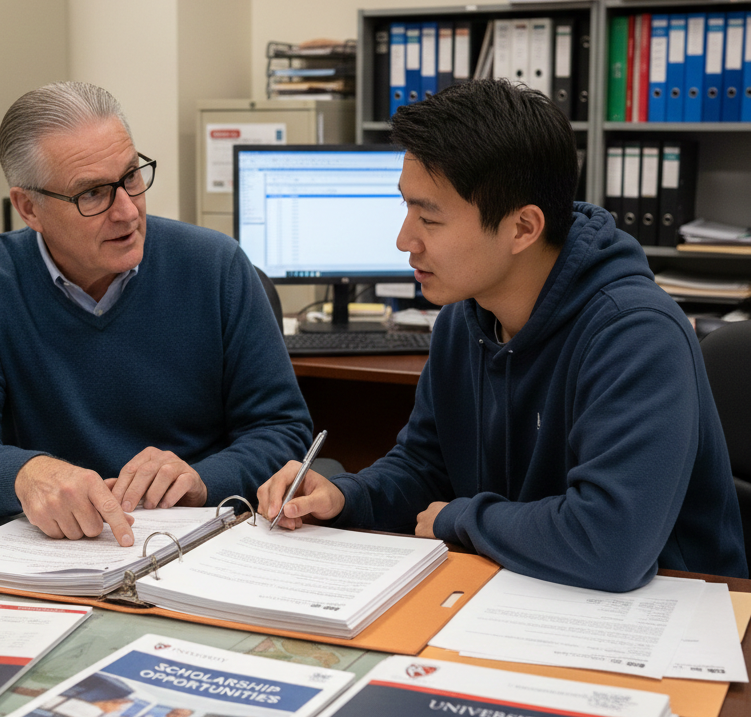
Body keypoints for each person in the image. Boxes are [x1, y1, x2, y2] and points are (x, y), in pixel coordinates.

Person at [258, 79, 747, 592]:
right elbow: (426, 467)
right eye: (405, 208)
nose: (404, 240)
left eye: (430, 218)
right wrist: (345, 497)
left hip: (667, 616)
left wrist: (459, 520)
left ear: (522, 228)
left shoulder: (637, 334)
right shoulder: (462, 318)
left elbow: (611, 544)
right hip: (526, 591)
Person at [0, 82, 312, 545]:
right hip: (50, 555)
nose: (127, 211)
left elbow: (283, 431)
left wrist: (204, 479)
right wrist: (24, 474)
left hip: (199, 542)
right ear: (28, 208)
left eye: (131, 177)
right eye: (92, 194)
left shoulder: (215, 265)